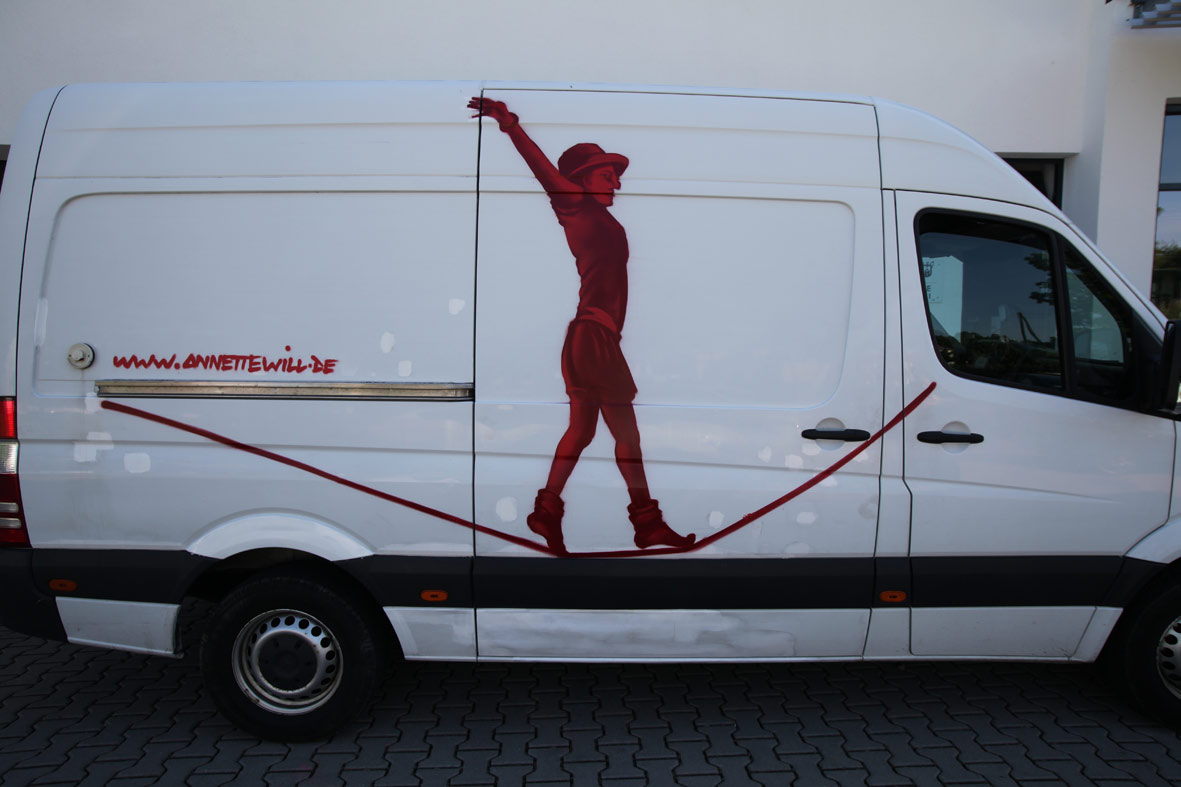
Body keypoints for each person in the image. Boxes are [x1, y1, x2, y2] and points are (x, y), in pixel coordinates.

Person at [469, 96, 696, 556]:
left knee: (583, 431)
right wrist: (510, 125)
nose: (617, 181)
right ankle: (645, 523)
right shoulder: (575, 206)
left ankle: (547, 511)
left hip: (591, 337)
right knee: (625, 434)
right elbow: (542, 172)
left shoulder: (599, 215)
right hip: (593, 336)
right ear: (579, 180)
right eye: (606, 173)